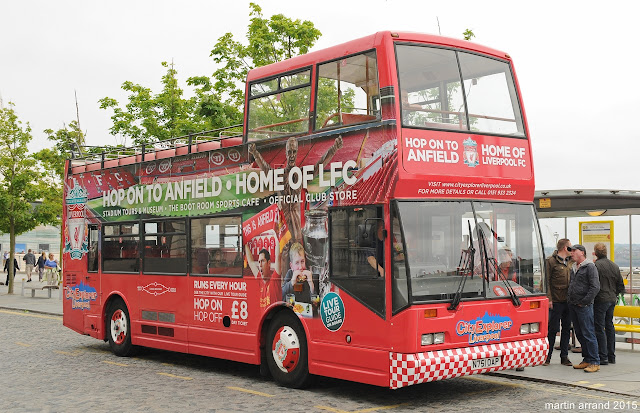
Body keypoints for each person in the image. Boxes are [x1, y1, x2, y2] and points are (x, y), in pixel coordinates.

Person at [567, 244, 601, 373]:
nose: (572, 253)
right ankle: (587, 359)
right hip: (573, 304)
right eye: (571, 251)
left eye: (574, 251)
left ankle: (594, 361)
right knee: (580, 333)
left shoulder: (590, 267)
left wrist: (585, 301)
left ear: (582, 252)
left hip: (584, 306)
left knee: (588, 333)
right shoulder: (574, 267)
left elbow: (595, 287)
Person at [593, 242, 625, 365]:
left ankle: (603, 356)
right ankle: (611, 355)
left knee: (599, 327)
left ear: (595, 253)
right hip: (612, 299)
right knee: (609, 326)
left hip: (600, 300)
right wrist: (614, 295)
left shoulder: (596, 266)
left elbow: (594, 284)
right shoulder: (614, 266)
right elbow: (621, 285)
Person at [543, 238, 574, 366]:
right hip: (556, 300)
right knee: (553, 329)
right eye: (570, 247)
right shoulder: (551, 261)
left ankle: (564, 356)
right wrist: (549, 299)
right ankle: (547, 356)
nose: (572, 250)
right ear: (565, 248)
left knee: (566, 329)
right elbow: (546, 281)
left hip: (568, 300)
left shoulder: (571, 261)